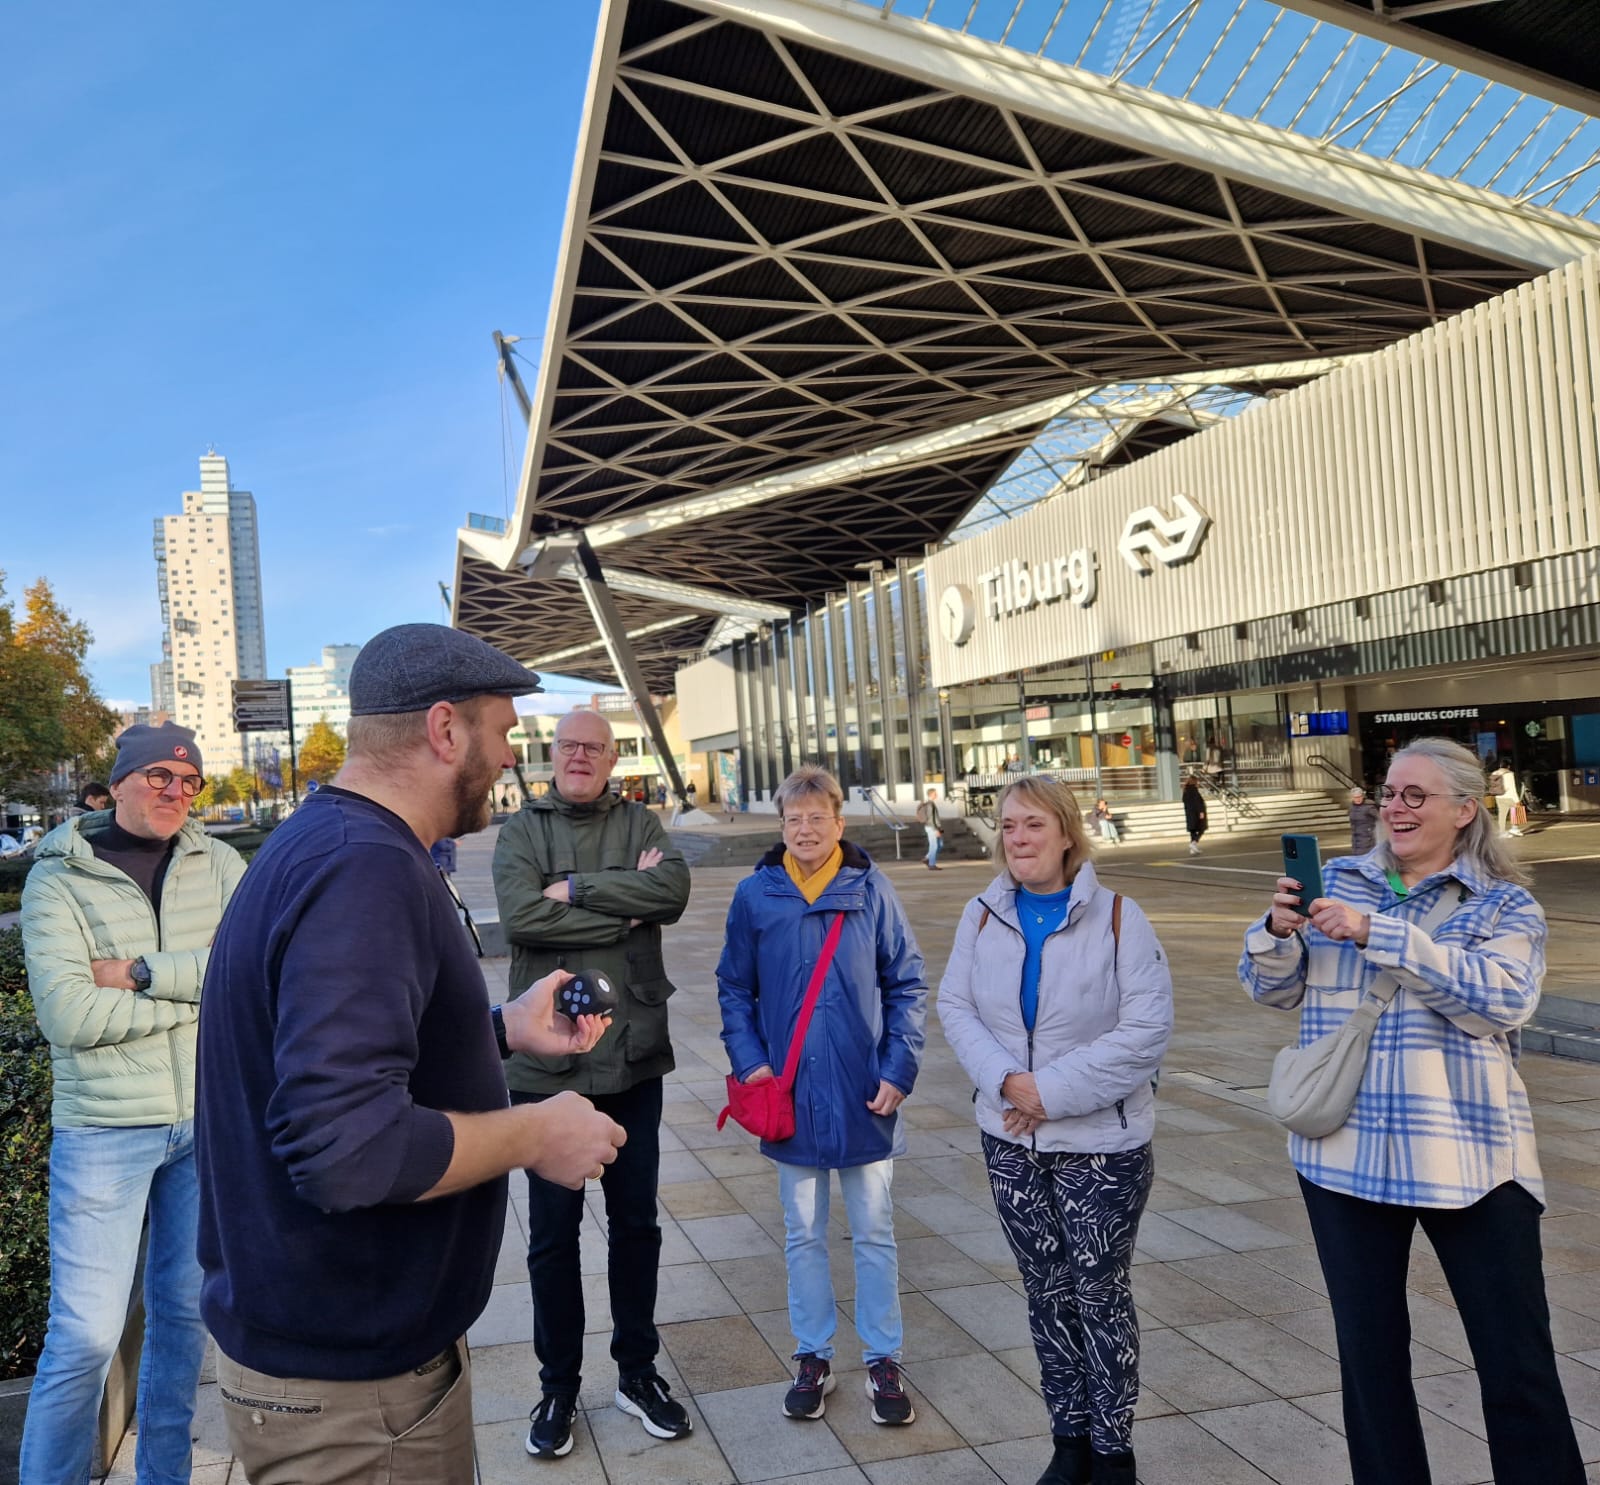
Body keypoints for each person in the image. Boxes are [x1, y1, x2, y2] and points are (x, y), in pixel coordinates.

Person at [195, 625, 624, 1485]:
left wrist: (498, 1029)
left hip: (343, 1369)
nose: (512, 756)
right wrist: (536, 1132)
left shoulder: (332, 844)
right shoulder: (366, 869)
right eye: (503, 731)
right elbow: (347, 1149)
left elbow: (341, 1056)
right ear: (444, 730)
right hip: (354, 1398)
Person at [1239, 736, 1583, 1485]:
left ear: (1466, 809)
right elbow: (1273, 992)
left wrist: (1378, 932)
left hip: (1470, 1158)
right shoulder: (1337, 879)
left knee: (1516, 1363)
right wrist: (1274, 934)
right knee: (1372, 1365)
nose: (1393, 807)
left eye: (1414, 795)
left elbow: (1501, 999)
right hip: (1344, 1155)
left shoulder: (1504, 903)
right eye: (1389, 791)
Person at [19, 723, 245, 1485]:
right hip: (106, 1133)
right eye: (158, 776)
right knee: (82, 1339)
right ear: (114, 782)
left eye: (189, 781)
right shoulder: (58, 876)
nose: (176, 792)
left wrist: (142, 972)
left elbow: (247, 975)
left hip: (204, 1124)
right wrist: (197, 996)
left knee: (182, 1323)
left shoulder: (219, 863)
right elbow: (70, 1017)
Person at [938, 776, 1171, 1485]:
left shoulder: (1121, 918)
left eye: (1033, 824)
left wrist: (1048, 1092)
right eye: (1008, 826)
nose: (1018, 839)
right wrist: (1010, 1083)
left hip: (1100, 1147)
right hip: (1010, 1139)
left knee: (1098, 1292)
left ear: (1068, 831)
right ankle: (1068, 1441)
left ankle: (1113, 1450)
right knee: (1046, 1292)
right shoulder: (981, 915)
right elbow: (955, 1006)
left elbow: (1146, 1029)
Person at [492, 706, 694, 1457]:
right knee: (553, 1237)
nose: (580, 756)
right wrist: (620, 909)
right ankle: (559, 1385)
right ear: (552, 754)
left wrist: (571, 891)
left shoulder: (642, 824)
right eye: (568, 745)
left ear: (613, 758)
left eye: (594, 747)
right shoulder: (521, 830)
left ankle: (636, 1372)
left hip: (635, 1057)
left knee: (636, 1224)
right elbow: (519, 916)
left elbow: (670, 894)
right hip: (551, 1071)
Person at [717, 765, 927, 1427]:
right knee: (802, 1231)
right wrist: (749, 1061)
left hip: (868, 1093)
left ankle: (883, 1356)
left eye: (817, 817)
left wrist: (899, 1068)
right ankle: (813, 1353)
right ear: (780, 826)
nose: (805, 829)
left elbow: (908, 983)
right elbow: (732, 989)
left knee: (874, 1229)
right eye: (793, 819)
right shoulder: (756, 895)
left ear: (839, 822)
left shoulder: (873, 891)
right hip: (789, 1096)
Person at [1490, 757, 1523, 837]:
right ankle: (1515, 829)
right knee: (1517, 811)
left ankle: (1502, 832)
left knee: (1502, 815)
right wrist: (1517, 800)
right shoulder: (1509, 774)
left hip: (1499, 796)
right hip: (1509, 796)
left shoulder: (1494, 773)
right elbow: (1511, 787)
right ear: (1508, 766)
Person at [918, 787, 944, 870]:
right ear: (932, 794)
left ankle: (927, 858)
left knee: (940, 845)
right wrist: (936, 830)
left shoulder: (931, 804)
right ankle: (932, 864)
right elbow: (931, 818)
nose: (937, 795)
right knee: (934, 846)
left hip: (934, 827)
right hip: (932, 828)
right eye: (935, 794)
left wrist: (939, 829)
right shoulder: (930, 805)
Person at [1347, 787, 1379, 854]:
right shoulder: (1351, 807)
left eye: (1359, 797)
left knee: (1366, 857)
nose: (1358, 799)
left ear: (1362, 796)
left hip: (1367, 838)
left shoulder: (1369, 807)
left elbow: (1379, 818)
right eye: (1355, 797)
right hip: (1355, 838)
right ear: (1352, 798)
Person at [1182, 774, 1207, 855]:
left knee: (1192, 830)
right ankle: (1194, 843)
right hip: (1196, 813)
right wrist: (1201, 812)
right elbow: (1197, 802)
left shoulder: (1185, 790)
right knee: (1202, 828)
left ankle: (1193, 848)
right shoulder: (1194, 790)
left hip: (1189, 813)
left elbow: (1184, 801)